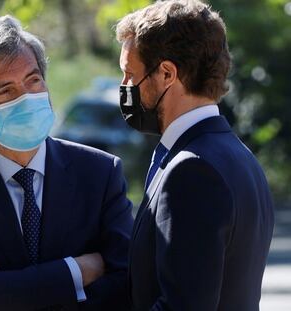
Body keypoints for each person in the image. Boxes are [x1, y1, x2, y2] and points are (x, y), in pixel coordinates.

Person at [0, 15, 133, 311]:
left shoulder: (99, 173)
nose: (28, 97)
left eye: (33, 80)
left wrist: (0, 285)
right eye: (6, 91)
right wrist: (78, 271)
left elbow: (126, 285)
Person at [115, 1, 274, 310]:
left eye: (130, 75)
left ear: (166, 73)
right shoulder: (240, 157)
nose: (124, 87)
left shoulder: (191, 170)